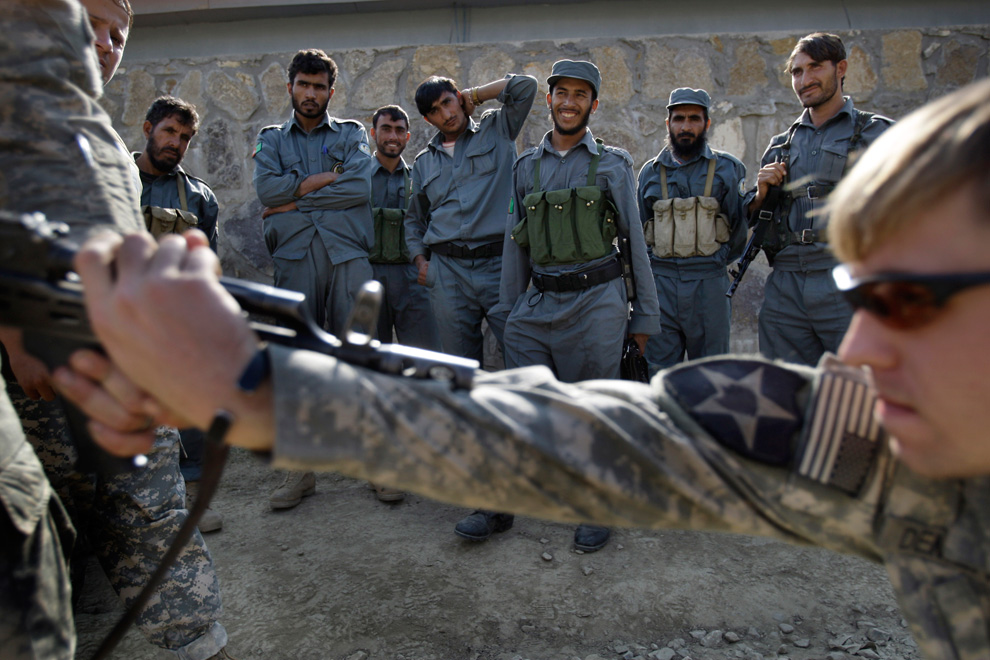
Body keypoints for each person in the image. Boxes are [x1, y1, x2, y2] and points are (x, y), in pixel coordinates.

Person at [59, 78, 990, 660]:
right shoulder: (879, 455)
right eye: (863, 299)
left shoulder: (602, 163)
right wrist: (256, 390)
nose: (855, 358)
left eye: (909, 303)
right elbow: (586, 436)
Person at [0, 2, 232, 659]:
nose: (104, 45)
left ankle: (198, 644)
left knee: (156, 520)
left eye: (117, 35)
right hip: (28, 386)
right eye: (90, 25)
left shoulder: (98, 141)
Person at [487, 60, 660, 551]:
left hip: (596, 302)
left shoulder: (613, 164)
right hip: (538, 303)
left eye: (580, 95)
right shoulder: (526, 167)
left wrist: (643, 317)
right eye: (561, 93)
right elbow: (514, 246)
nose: (569, 102)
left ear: (594, 104)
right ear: (549, 100)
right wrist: (508, 312)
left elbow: (634, 245)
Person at [253, 48, 376, 509]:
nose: (311, 93)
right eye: (303, 84)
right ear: (290, 87)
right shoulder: (271, 140)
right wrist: (323, 180)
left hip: (348, 257)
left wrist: (292, 199)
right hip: (295, 257)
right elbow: (266, 191)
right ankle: (300, 473)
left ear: (330, 91)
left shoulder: (351, 133)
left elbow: (360, 186)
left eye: (319, 86)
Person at [745, 32, 893, 366]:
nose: (805, 79)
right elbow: (755, 215)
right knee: (786, 392)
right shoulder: (781, 144)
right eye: (797, 72)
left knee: (856, 390)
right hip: (785, 286)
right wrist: (760, 194)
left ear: (840, 68)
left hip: (845, 280)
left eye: (815, 67)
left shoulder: (877, 134)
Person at [134, 95, 223, 532]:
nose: (176, 143)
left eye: (185, 137)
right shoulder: (115, 182)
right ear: (147, 127)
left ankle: (189, 498)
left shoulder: (200, 197)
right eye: (170, 131)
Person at [404, 71, 537, 364]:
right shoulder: (424, 163)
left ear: (459, 99)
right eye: (435, 111)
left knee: (522, 353)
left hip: (500, 266)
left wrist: (475, 95)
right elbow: (414, 220)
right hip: (447, 273)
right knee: (458, 366)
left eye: (449, 102)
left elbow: (526, 87)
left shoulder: (498, 129)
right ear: (428, 120)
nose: (446, 114)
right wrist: (420, 261)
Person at [637, 88, 747, 374]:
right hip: (661, 286)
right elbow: (640, 227)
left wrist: (717, 259)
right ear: (668, 123)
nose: (686, 126)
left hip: (709, 284)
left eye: (695, 119)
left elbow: (739, 226)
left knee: (713, 375)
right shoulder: (649, 173)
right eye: (679, 119)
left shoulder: (728, 169)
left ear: (707, 123)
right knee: (657, 373)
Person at [365, 104, 440, 502]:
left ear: (408, 137)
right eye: (386, 129)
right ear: (372, 132)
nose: (392, 136)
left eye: (399, 130)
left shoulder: (420, 179)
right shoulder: (359, 176)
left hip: (412, 281)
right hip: (369, 279)